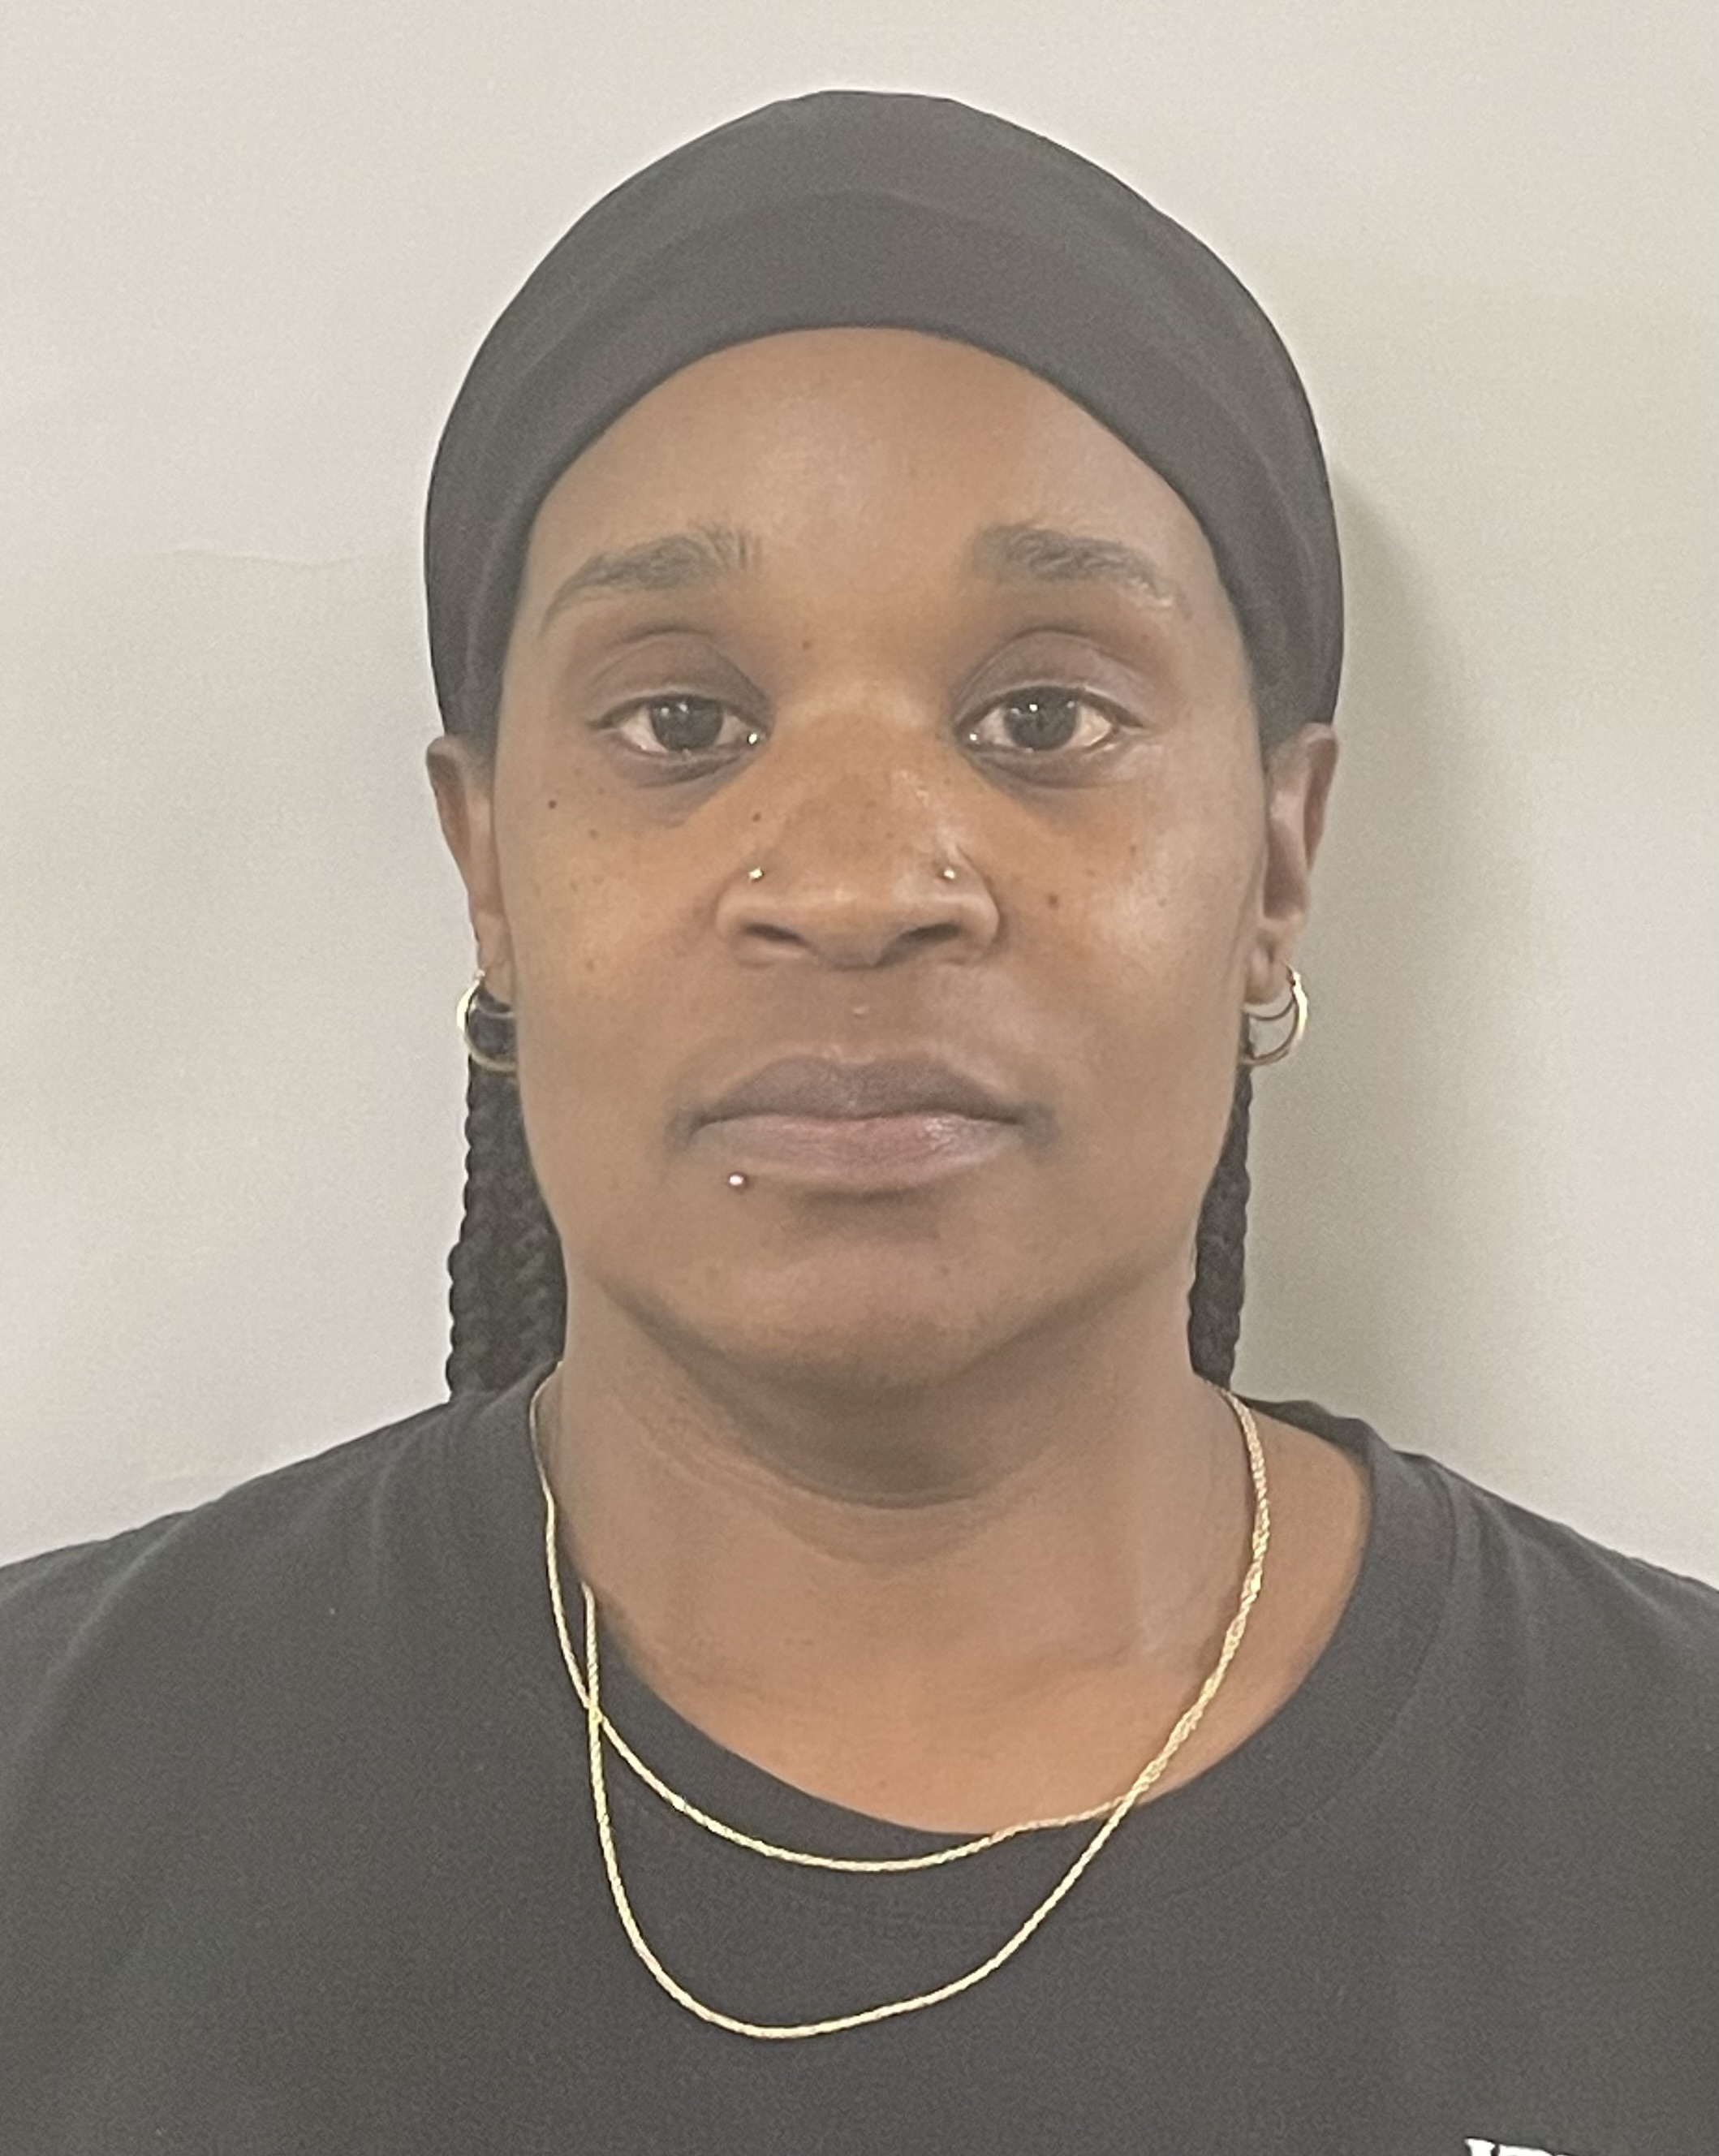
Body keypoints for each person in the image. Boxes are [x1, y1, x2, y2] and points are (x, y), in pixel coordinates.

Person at [1, 89, 1713, 2156]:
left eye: (1043, 717)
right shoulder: (51, 1805)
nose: (859, 881)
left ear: (1277, 857)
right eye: (682, 721)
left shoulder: (1664, 1819)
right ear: (488, 865)